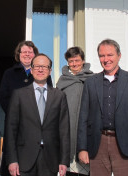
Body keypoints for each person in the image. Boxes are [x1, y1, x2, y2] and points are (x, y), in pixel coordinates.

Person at [77, 39, 128, 176]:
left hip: (126, 145)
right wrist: (82, 148)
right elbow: (83, 118)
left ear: (119, 56)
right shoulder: (91, 83)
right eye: (102, 56)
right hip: (98, 144)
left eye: (110, 55)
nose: (106, 59)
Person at [6, 53, 70, 176]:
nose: (40, 69)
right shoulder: (18, 95)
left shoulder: (59, 96)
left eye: (44, 67)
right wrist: (12, 160)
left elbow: (64, 131)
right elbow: (11, 130)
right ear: (31, 70)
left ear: (50, 71)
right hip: (24, 159)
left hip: (51, 159)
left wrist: (64, 161)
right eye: (37, 66)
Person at [0, 41, 52, 176]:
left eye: (30, 52)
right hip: (15, 127)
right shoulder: (9, 73)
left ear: (35, 54)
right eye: (24, 52)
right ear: (19, 54)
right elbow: (4, 98)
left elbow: (49, 98)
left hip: (37, 130)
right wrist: (18, 116)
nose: (27, 54)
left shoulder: (43, 74)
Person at [56, 47, 93, 176]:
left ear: (83, 61)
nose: (74, 64)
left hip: (86, 130)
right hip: (66, 128)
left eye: (77, 60)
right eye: (71, 61)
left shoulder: (92, 79)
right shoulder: (62, 81)